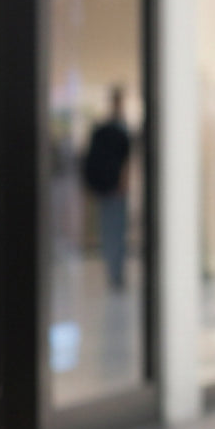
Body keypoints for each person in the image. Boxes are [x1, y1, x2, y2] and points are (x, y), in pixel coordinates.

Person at [81, 87, 132, 290]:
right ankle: (115, 273)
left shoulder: (104, 129)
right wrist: (122, 181)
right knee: (115, 230)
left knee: (110, 230)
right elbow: (125, 161)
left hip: (107, 187)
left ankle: (114, 272)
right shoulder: (117, 129)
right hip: (114, 187)